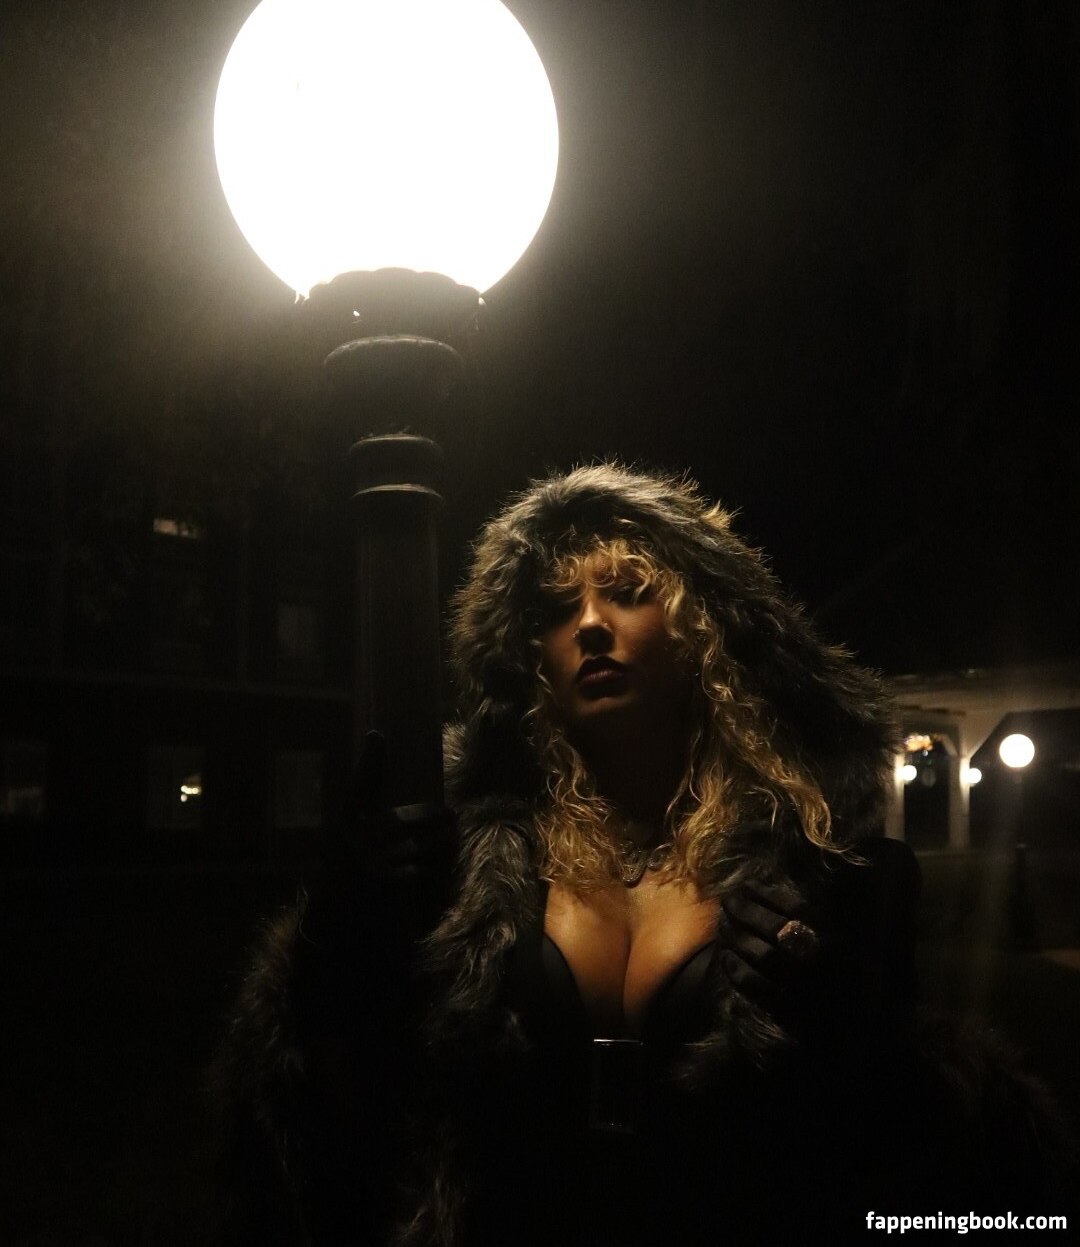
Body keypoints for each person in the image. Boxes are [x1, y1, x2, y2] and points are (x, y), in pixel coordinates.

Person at [214, 463, 1072, 1245]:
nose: (590, 625)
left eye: (626, 593)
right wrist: (335, 939)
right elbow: (358, 1113)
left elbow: (912, 1162)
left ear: (703, 628)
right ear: (531, 661)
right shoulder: (476, 861)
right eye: (557, 610)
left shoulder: (817, 862)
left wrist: (849, 1031)